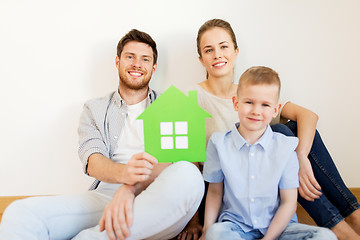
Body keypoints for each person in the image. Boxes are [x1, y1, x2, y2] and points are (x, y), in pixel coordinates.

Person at [0, 29, 204, 240]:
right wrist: (125, 176)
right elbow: (93, 161)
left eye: (145, 59)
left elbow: (189, 164)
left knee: (188, 174)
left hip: (160, 198)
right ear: (117, 62)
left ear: (153, 67)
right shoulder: (94, 109)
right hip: (108, 195)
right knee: (20, 213)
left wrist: (194, 222)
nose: (137, 64)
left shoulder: (174, 106)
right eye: (130, 57)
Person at [180, 18, 360, 240]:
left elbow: (308, 116)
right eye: (209, 50)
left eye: (224, 46)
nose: (217, 54)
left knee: (289, 132)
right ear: (201, 59)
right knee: (283, 133)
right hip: (227, 192)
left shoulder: (252, 92)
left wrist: (300, 157)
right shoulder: (189, 97)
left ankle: (352, 215)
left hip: (265, 184)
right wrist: (195, 222)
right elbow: (186, 160)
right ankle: (342, 227)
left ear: (236, 52)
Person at [200, 66, 336, 239]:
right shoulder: (219, 143)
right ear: (236, 103)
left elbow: (288, 203)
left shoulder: (285, 147)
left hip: (279, 229)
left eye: (265, 105)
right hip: (236, 228)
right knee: (215, 233)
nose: (256, 111)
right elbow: (215, 192)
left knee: (325, 236)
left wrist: (269, 238)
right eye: (249, 102)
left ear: (275, 110)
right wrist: (206, 230)